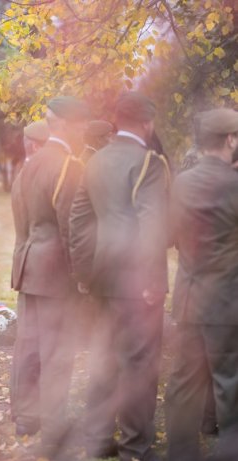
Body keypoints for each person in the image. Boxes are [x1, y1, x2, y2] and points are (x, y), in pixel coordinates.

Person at [69, 92, 170, 461]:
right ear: (148, 123)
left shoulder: (93, 161)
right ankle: (135, 447)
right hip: (134, 280)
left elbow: (78, 221)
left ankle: (96, 441)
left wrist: (83, 272)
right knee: (140, 364)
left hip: (99, 276)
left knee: (103, 357)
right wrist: (153, 280)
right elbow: (152, 226)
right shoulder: (149, 163)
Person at [10, 96, 89, 457]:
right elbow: (71, 227)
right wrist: (81, 275)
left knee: (28, 348)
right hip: (55, 271)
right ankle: (55, 427)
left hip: (28, 266)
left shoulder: (30, 163)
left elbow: (23, 220)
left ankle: (27, 417)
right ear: (71, 125)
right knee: (57, 353)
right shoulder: (68, 165)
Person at [164, 108, 238, 461]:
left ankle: (181, 454)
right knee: (229, 384)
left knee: (183, 385)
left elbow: (170, 235)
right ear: (231, 140)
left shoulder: (182, 183)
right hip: (227, 301)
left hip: (191, 299)